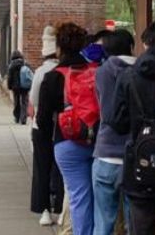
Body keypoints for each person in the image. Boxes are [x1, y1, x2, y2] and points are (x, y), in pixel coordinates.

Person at [113, 21, 155, 235]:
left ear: (145, 44)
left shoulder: (128, 76)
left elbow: (118, 122)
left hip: (139, 163)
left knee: (141, 225)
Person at [38, 22, 96, 235]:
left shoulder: (53, 76)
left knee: (78, 196)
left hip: (67, 142)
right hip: (97, 140)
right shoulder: (96, 71)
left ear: (59, 48)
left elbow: (43, 120)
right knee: (97, 196)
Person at [92, 29, 136, 235]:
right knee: (133, 222)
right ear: (131, 46)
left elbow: (102, 107)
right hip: (135, 156)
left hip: (106, 154)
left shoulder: (102, 72)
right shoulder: (142, 70)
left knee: (103, 221)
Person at [29, 26, 64, 226]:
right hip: (62, 125)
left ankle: (44, 210)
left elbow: (33, 100)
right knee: (60, 169)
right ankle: (60, 209)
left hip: (41, 126)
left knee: (42, 169)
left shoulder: (41, 71)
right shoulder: (66, 70)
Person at [7, 50, 30, 124]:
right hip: (25, 85)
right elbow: (30, 73)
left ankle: (17, 117)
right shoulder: (25, 63)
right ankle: (23, 118)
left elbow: (9, 77)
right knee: (24, 102)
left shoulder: (11, 65)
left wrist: (9, 86)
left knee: (16, 102)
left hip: (15, 86)